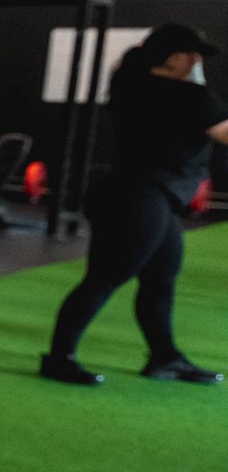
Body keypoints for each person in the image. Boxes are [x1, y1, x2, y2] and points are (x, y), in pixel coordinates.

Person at [41, 21, 228, 386]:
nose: (195, 62)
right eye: (191, 55)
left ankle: (164, 357)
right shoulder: (193, 98)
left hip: (139, 197)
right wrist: (204, 93)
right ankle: (58, 358)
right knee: (104, 279)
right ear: (174, 57)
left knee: (160, 279)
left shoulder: (129, 85)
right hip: (142, 201)